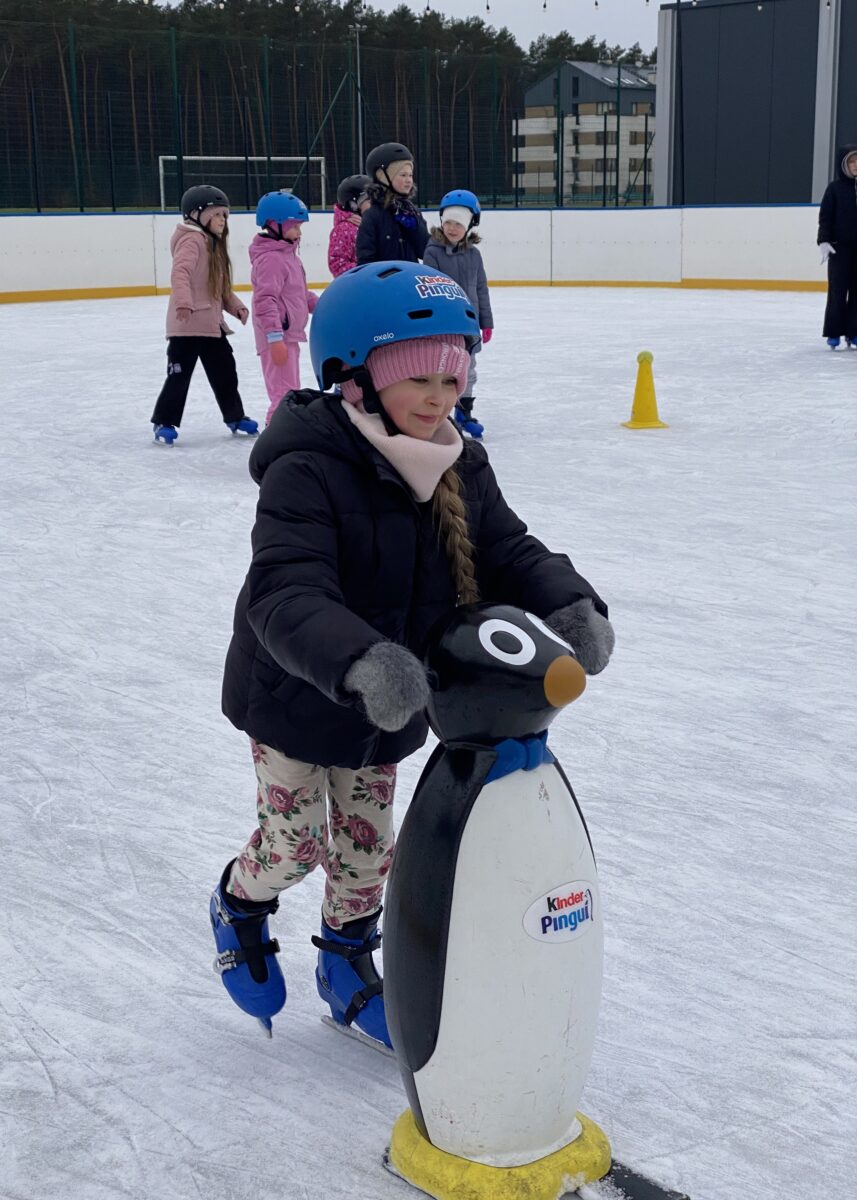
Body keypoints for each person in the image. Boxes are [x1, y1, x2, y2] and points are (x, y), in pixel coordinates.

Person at [208, 261, 616, 1048]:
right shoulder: (309, 467)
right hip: (299, 694)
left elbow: (505, 548)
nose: (438, 397)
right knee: (294, 848)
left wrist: (567, 601)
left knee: (368, 850)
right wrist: (361, 661)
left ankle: (345, 961)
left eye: (451, 376)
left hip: (389, 702)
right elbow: (282, 593)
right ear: (354, 379)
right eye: (415, 377)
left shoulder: (457, 460)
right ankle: (239, 903)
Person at [151, 185, 256, 445]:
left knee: (225, 374)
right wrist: (184, 302)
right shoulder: (192, 239)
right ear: (197, 214)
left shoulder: (212, 245)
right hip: (186, 325)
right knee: (178, 376)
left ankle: (235, 416)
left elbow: (219, 288)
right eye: (218, 214)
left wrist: (236, 307)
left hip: (211, 326)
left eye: (225, 216)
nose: (223, 220)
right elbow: (180, 273)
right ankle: (163, 421)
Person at [422, 189, 494, 439]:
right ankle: (439, 413)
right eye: (448, 222)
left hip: (470, 325)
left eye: (459, 224)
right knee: (444, 369)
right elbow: (431, 288)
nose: (452, 228)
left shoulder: (474, 255)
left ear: (470, 225)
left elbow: (481, 289)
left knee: (468, 369)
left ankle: (464, 412)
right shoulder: (432, 252)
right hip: (446, 324)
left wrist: (486, 322)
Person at [249, 191, 318, 426]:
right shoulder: (271, 259)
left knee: (289, 390)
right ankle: (274, 434)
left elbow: (297, 293)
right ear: (274, 224)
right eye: (295, 226)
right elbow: (264, 300)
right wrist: (274, 337)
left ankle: (282, 432)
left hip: (288, 335)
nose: (299, 232)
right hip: (277, 336)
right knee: (282, 393)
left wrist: (320, 306)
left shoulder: (288, 256)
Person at [355, 142, 429, 265]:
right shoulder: (373, 216)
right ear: (383, 177)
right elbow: (365, 259)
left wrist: (415, 228)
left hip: (410, 279)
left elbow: (425, 251)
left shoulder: (411, 212)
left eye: (410, 175)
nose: (409, 180)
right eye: (403, 175)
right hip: (385, 282)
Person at [818, 144, 857, 350]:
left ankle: (854, 332)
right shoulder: (834, 189)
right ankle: (834, 332)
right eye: (851, 161)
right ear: (843, 165)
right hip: (839, 249)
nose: (855, 165)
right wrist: (823, 241)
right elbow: (825, 218)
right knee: (837, 291)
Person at [328, 174, 372, 277]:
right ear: (353, 204)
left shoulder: (371, 224)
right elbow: (338, 264)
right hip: (356, 286)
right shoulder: (344, 229)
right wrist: (368, 270)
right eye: (370, 201)